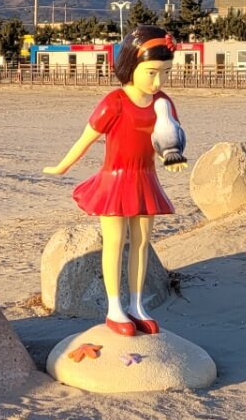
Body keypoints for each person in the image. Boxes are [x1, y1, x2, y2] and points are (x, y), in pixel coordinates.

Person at [43, 25, 186, 336]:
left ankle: (137, 304)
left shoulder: (163, 103)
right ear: (131, 66)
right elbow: (86, 138)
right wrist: (62, 166)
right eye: (151, 73)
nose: (158, 81)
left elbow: (167, 139)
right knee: (114, 242)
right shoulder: (115, 102)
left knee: (143, 242)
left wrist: (171, 157)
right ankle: (114, 307)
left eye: (165, 73)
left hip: (145, 179)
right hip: (115, 180)